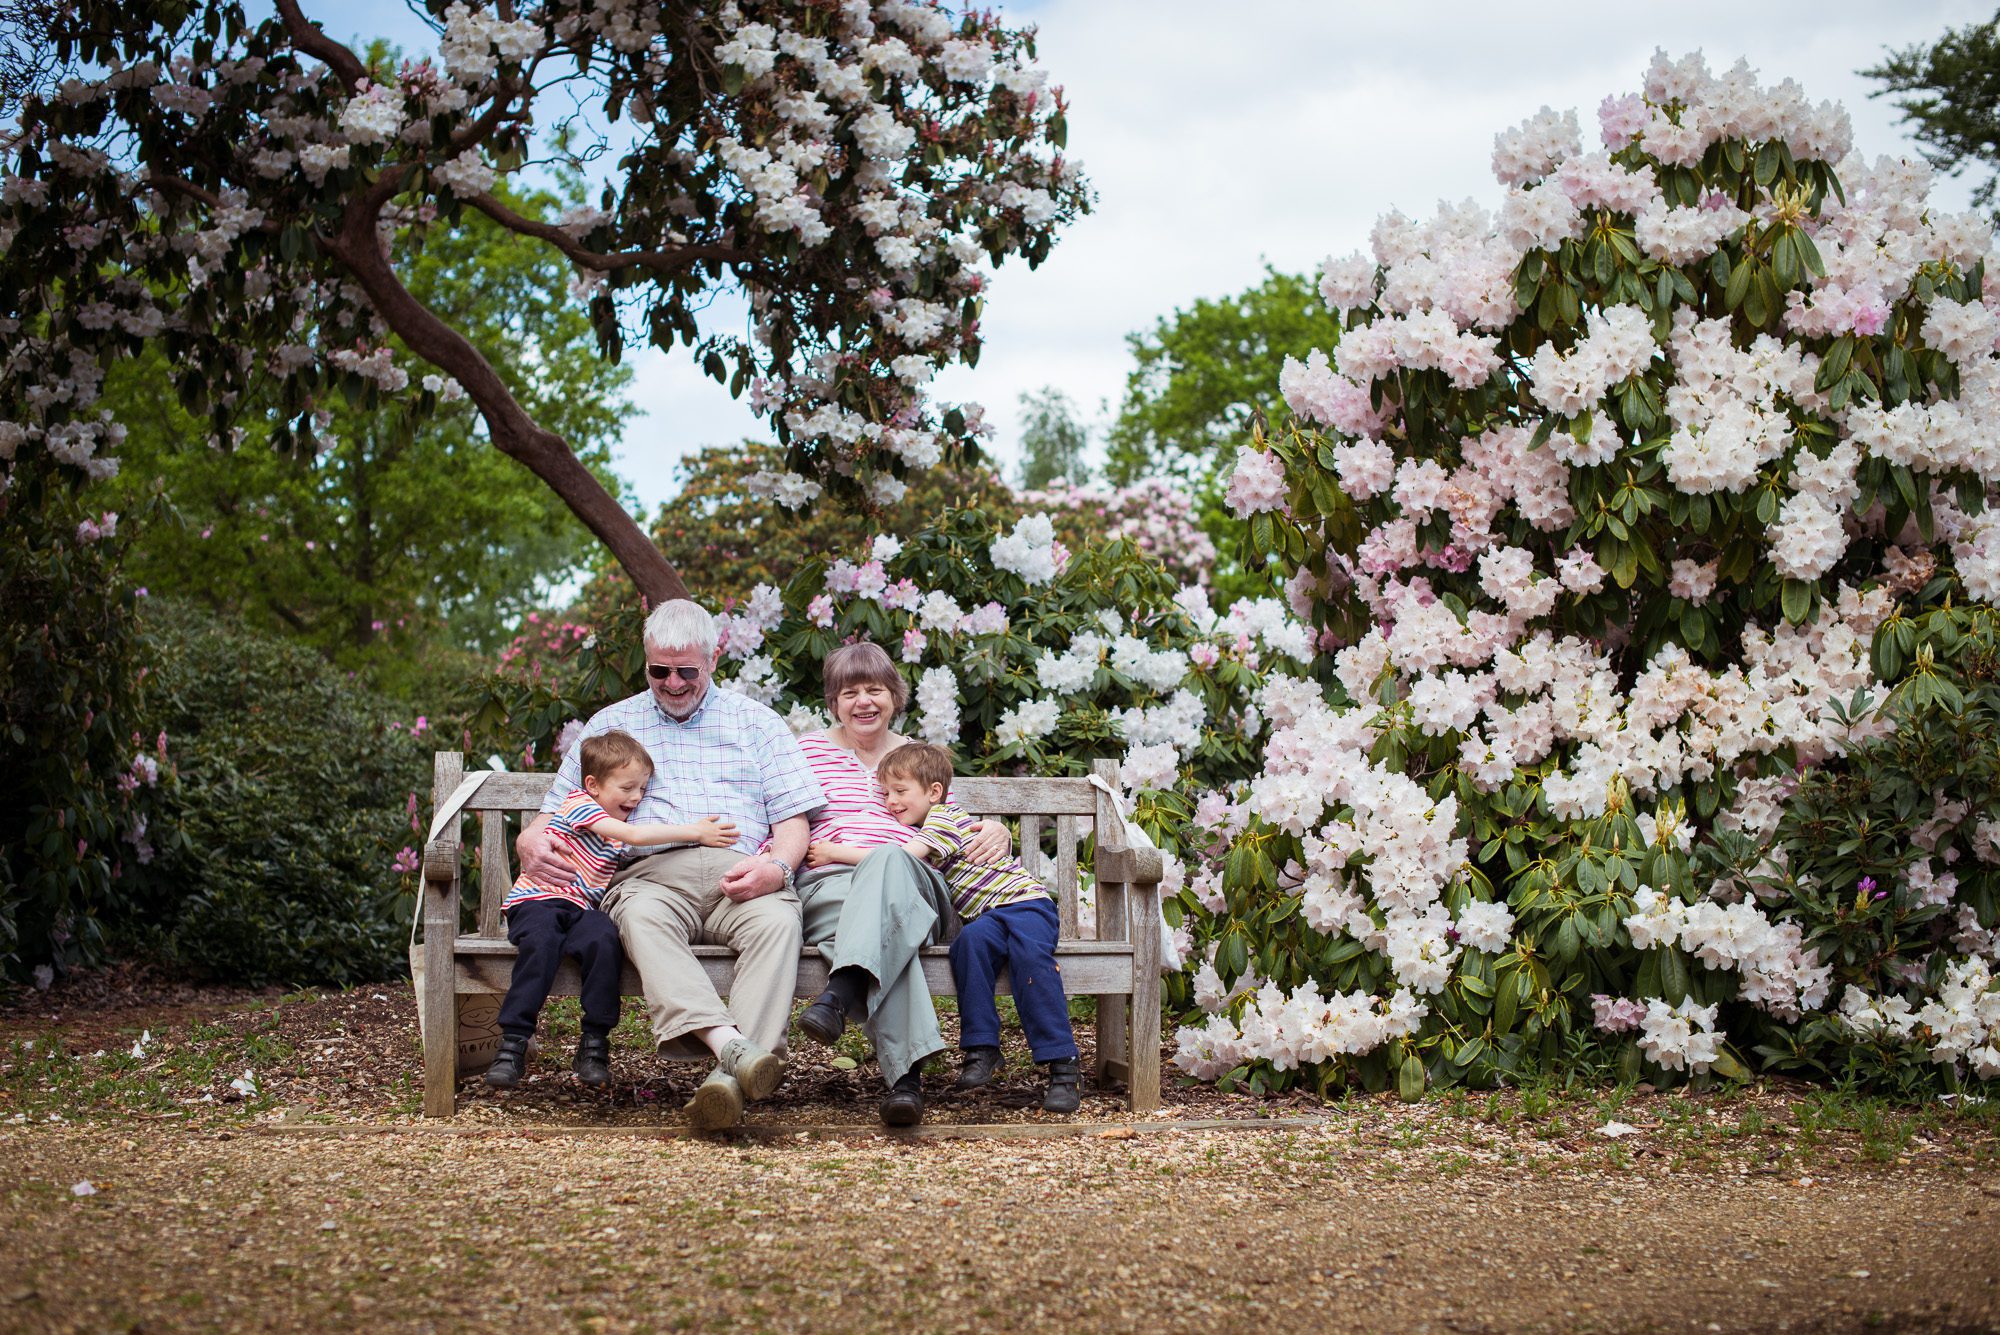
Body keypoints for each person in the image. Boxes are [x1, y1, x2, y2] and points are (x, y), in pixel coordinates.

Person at [515, 600, 823, 1131]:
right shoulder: (613, 724)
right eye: (660, 670)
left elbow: (795, 826)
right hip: (651, 878)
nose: (674, 683)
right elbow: (553, 813)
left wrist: (776, 868)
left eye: (687, 671)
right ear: (646, 661)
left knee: (778, 922)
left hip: (744, 875)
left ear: (714, 658)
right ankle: (734, 1053)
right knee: (639, 919)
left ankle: (726, 1084)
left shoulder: (759, 724)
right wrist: (527, 841)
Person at [790, 641, 1010, 1126]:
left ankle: (841, 990)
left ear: (895, 697)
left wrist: (996, 828)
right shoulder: (805, 751)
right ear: (832, 702)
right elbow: (781, 819)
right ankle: (905, 1082)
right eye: (850, 692)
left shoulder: (916, 755)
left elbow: (951, 818)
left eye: (875, 690)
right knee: (891, 938)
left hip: (915, 883)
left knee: (889, 861)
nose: (863, 702)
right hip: (830, 884)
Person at [485, 730, 740, 1091]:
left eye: (642, 789)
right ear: (592, 784)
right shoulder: (579, 805)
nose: (636, 797)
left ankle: (594, 1044)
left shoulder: (613, 829)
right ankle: (513, 1043)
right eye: (627, 788)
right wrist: (696, 833)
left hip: (580, 908)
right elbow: (635, 838)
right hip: (538, 900)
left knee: (605, 938)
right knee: (542, 942)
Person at [872, 742, 1082, 1114]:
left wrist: (833, 853)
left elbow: (904, 857)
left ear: (934, 792)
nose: (890, 801)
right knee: (966, 944)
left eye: (900, 792)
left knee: (1030, 960)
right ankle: (982, 1049)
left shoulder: (941, 818)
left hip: (1026, 905)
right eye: (886, 793)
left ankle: (1063, 1066)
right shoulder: (927, 822)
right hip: (988, 917)